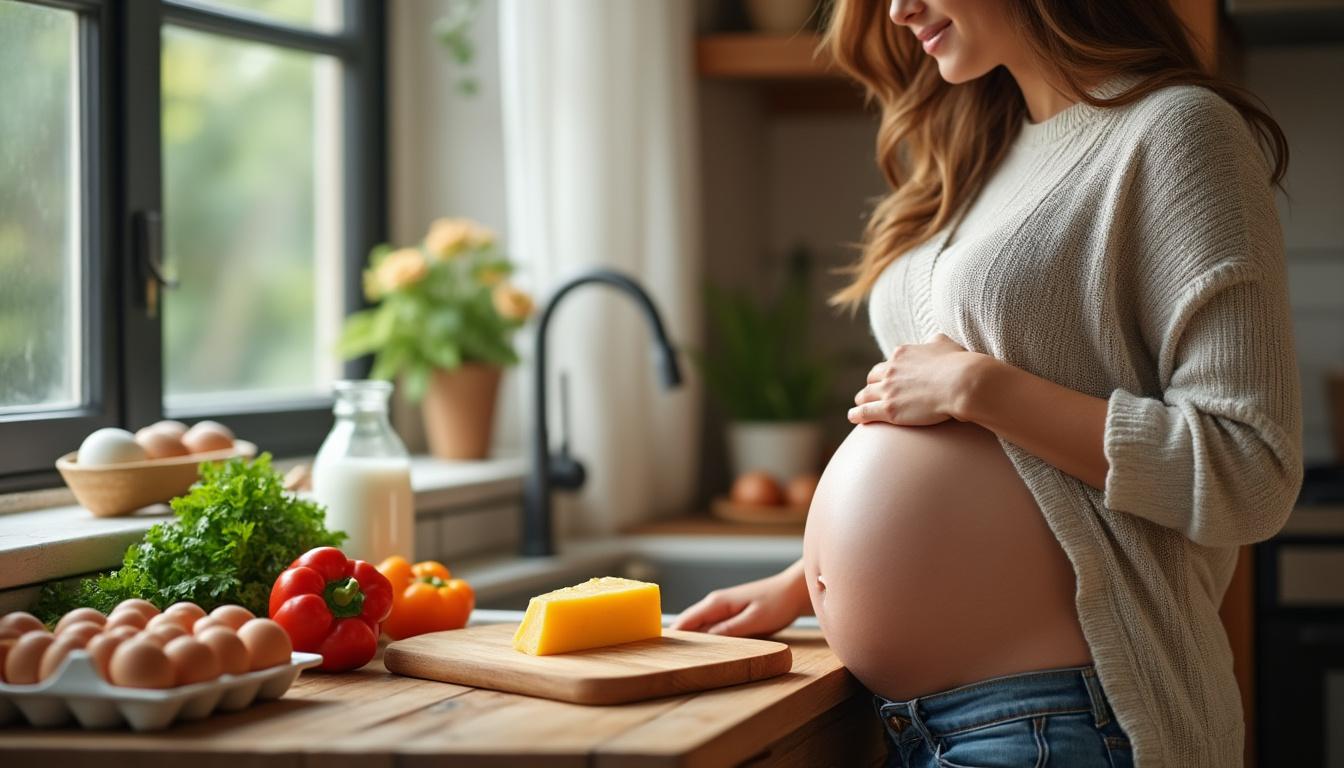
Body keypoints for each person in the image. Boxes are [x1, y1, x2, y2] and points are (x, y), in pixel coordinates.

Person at [673, 2, 1302, 766]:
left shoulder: (1174, 130)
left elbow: (1250, 469)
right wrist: (802, 583)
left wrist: (979, 388)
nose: (899, 10)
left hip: (1071, 717)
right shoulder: (978, 155)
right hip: (917, 723)